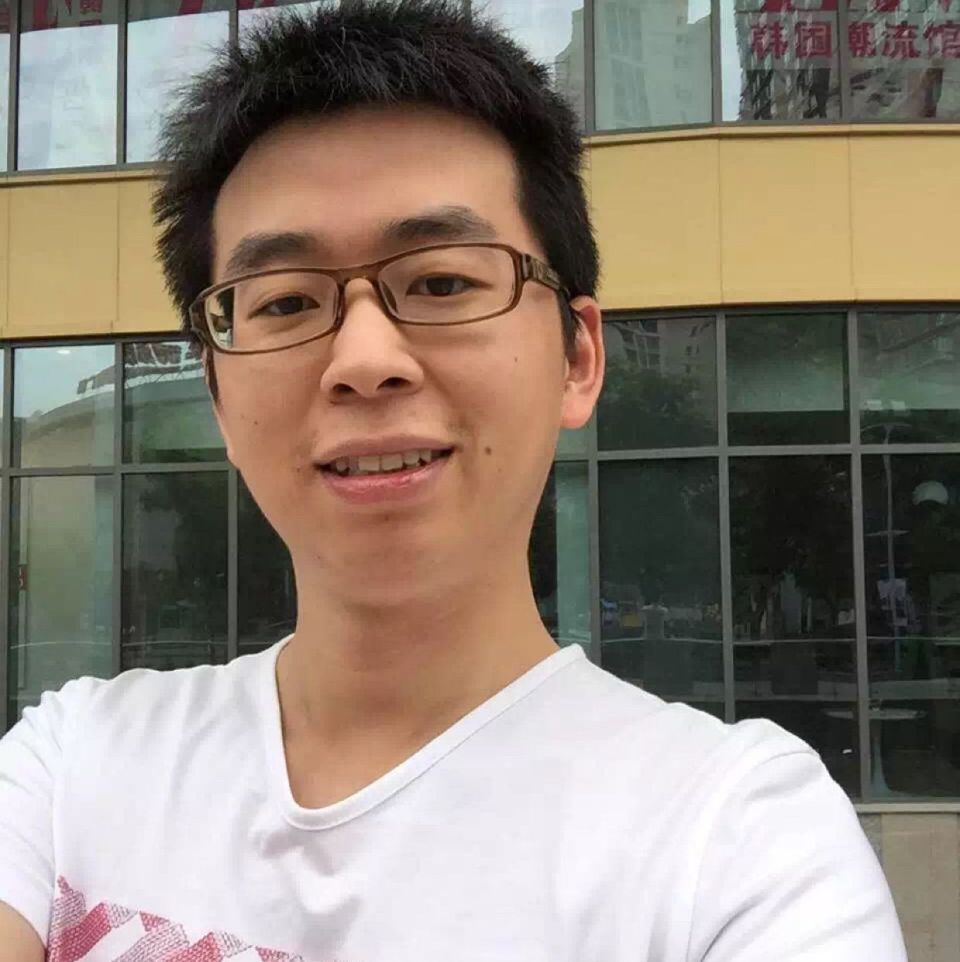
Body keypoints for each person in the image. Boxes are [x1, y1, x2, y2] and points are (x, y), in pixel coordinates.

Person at [0, 2, 907, 960]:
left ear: (578, 358)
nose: (364, 360)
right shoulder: (75, 769)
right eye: (286, 301)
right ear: (219, 397)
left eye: (441, 283)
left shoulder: (735, 844)